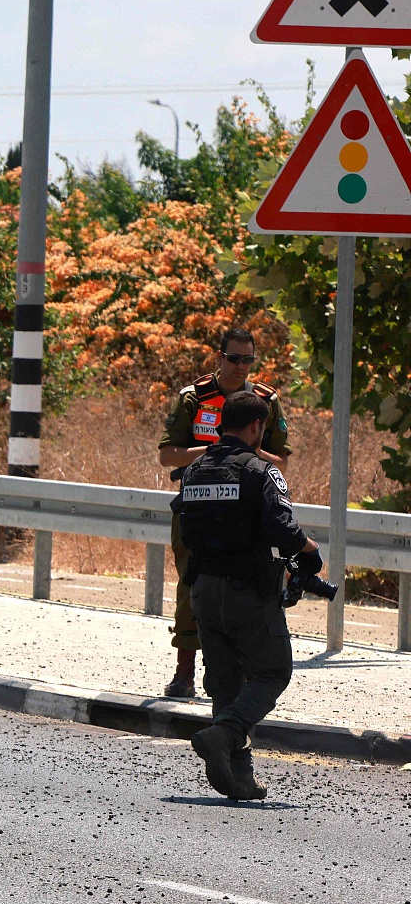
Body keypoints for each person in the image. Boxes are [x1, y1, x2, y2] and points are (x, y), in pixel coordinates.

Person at [171, 391, 314, 801]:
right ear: (256, 427)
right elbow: (285, 530)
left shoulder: (195, 469)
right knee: (272, 671)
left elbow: (183, 516)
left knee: (225, 683)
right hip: (247, 589)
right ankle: (224, 735)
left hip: (202, 589)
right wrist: (312, 553)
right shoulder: (259, 471)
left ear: (220, 424)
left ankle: (239, 776)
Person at [156, 325, 290, 700]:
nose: (241, 366)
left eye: (248, 359)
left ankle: (233, 673)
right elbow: (168, 455)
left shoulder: (265, 401)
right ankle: (184, 672)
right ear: (220, 356)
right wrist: (215, 449)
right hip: (198, 507)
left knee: (245, 586)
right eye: (234, 358)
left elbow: (282, 461)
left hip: (245, 510)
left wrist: (238, 451)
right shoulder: (194, 398)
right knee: (192, 584)